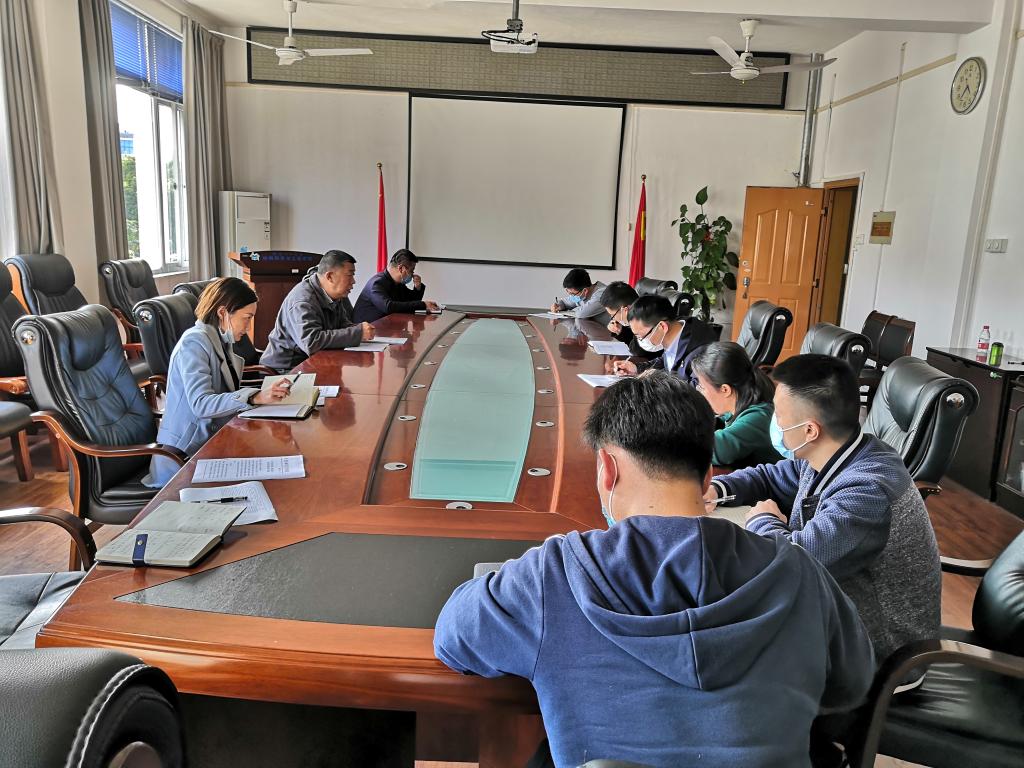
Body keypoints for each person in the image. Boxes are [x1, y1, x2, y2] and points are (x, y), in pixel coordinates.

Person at [434, 373, 875, 768]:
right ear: (708, 478)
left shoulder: (553, 576)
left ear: (607, 470)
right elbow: (850, 685)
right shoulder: (799, 572)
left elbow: (453, 638)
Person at [706, 354, 941, 667]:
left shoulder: (868, 490)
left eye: (779, 414)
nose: (774, 422)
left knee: (723, 643)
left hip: (879, 652)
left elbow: (792, 563)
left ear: (810, 430)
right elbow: (769, 477)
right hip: (831, 611)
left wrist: (763, 520)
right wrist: (716, 489)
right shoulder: (832, 453)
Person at [145, 278, 291, 487]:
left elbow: (225, 391)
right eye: (246, 318)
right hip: (184, 456)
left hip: (212, 440)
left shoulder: (219, 338)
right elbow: (201, 404)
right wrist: (255, 396)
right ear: (223, 313)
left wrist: (263, 393)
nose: (248, 326)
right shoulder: (194, 343)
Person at [261, 250, 375, 371]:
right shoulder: (303, 301)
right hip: (286, 369)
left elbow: (342, 325)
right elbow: (311, 342)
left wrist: (359, 329)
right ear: (329, 276)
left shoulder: (332, 294)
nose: (353, 281)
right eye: (349, 275)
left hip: (311, 362)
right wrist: (357, 333)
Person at [691, 341, 783, 468]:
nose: (700, 392)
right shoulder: (742, 403)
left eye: (702, 387)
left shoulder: (758, 417)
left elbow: (710, 450)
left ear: (725, 390)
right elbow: (714, 421)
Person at [612, 294, 718, 379]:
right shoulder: (678, 329)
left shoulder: (699, 352)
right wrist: (637, 368)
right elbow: (666, 361)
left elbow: (691, 392)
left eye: (641, 336)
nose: (641, 341)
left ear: (662, 326)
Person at [352, 249, 440, 323]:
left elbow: (410, 301)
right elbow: (388, 307)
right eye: (411, 271)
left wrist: (417, 287)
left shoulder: (397, 283)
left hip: (385, 327)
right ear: (401, 268)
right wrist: (423, 305)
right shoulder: (377, 283)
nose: (412, 274)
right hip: (366, 332)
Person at [598, 280, 659, 360]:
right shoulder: (641, 309)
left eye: (613, 315)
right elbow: (632, 342)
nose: (613, 318)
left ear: (625, 310)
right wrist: (621, 331)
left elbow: (636, 351)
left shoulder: (646, 318)